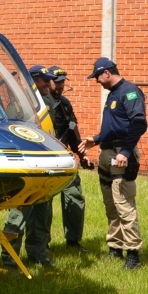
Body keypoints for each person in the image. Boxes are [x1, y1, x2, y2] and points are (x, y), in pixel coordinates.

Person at [78, 57, 147, 270]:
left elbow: (138, 123)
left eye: (97, 76)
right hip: (107, 152)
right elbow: (116, 125)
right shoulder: (112, 94)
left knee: (124, 205)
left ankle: (133, 254)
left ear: (107, 72)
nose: (96, 81)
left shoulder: (129, 91)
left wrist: (125, 151)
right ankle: (115, 248)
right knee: (110, 205)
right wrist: (96, 139)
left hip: (121, 154)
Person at [34, 65, 91, 251]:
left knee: (74, 197)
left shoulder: (65, 104)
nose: (60, 86)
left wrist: (82, 156)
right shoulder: (38, 104)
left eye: (63, 83)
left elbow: (73, 132)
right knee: (45, 203)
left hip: (64, 158)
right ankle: (44, 243)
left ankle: (73, 240)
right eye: (57, 82)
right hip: (45, 159)